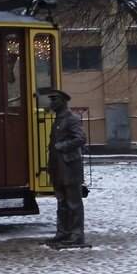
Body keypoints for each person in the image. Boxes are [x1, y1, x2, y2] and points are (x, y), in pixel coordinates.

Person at [45, 89, 88, 248]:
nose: (51, 103)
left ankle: (76, 234)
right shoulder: (58, 119)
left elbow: (81, 139)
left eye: (54, 100)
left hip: (70, 167)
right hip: (58, 166)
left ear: (63, 102)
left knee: (73, 203)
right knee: (62, 201)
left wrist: (62, 146)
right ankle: (63, 232)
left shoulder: (71, 118)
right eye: (51, 100)